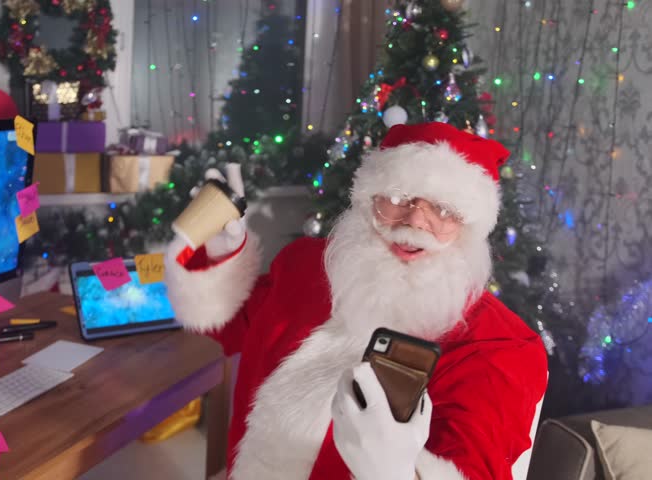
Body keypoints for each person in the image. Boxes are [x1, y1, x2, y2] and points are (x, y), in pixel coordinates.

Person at [164, 122, 548, 479]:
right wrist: (220, 256)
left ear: (470, 226)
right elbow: (230, 326)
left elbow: (476, 463)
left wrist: (395, 474)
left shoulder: (499, 346)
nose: (415, 220)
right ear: (368, 198)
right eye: (398, 196)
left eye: (444, 209)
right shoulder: (305, 265)